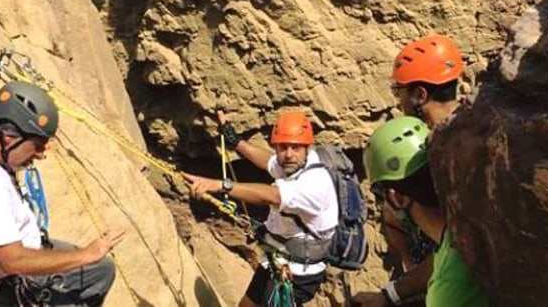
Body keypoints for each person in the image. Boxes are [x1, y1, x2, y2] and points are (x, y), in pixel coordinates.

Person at [0, 81, 125, 306]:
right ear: (8, 138)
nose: (42, 154)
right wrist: (87, 254)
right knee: (94, 267)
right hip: (1, 281)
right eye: (38, 145)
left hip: (13, 253)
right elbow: (13, 261)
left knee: (102, 270)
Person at [352, 34, 465, 306]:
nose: (398, 100)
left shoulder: (445, 150)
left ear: (419, 95)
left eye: (399, 90)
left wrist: (390, 295)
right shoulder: (471, 126)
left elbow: (456, 244)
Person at [185, 110, 338, 307]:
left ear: (307, 148)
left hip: (298, 273)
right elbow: (269, 162)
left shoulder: (314, 183)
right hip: (276, 259)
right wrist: (235, 141)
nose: (289, 154)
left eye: (295, 147)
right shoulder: (297, 161)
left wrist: (220, 185)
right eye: (283, 147)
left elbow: (270, 196)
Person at [363, 117, 488, 307]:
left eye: (382, 199)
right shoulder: (469, 223)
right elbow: (435, 262)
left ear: (397, 198)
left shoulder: (448, 290)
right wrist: (388, 296)